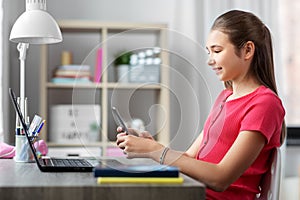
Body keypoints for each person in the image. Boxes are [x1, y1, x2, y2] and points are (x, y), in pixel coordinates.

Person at [116, 9, 286, 200]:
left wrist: (154, 152)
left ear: (247, 50)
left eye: (217, 51)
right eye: (209, 52)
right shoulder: (225, 97)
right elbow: (190, 158)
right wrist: (150, 145)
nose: (210, 60)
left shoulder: (265, 104)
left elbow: (221, 178)